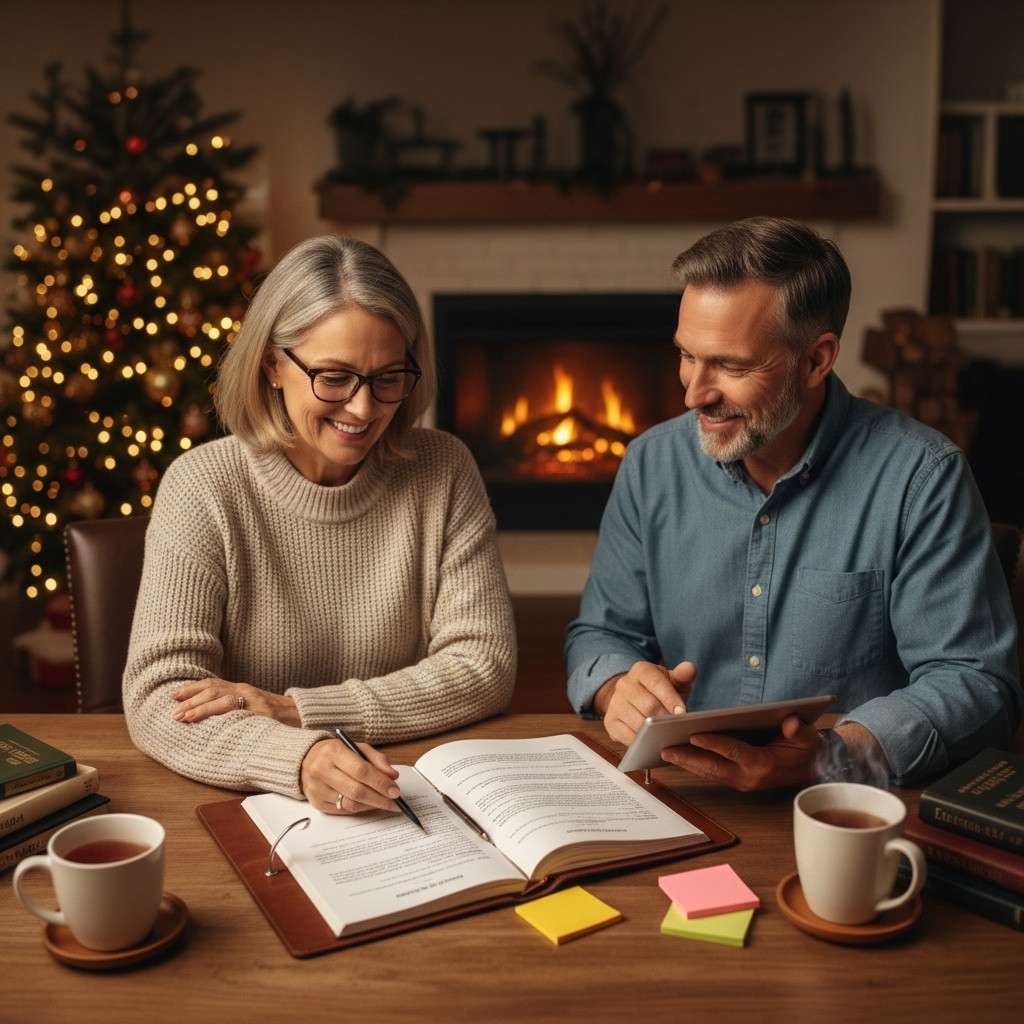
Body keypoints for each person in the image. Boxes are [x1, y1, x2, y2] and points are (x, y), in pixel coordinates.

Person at [566, 217, 1021, 790]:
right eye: (686, 355)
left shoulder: (921, 476)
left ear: (815, 360)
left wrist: (832, 755)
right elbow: (600, 636)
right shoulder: (650, 464)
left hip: (845, 809)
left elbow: (977, 683)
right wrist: (617, 686)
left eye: (730, 366)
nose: (693, 393)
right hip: (682, 796)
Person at [123, 235, 516, 816]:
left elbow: (484, 663)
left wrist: (298, 709)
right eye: (334, 377)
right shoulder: (203, 485)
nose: (363, 409)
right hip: (253, 805)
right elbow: (159, 696)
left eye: (388, 378)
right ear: (272, 364)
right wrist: (297, 758)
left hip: (410, 789)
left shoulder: (443, 467)